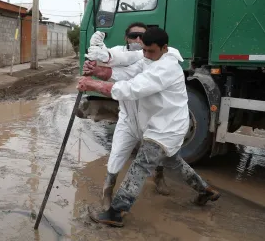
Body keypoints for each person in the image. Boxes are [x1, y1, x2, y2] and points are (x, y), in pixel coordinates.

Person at [78, 27, 220, 227]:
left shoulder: (167, 68)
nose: (145, 54)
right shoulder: (147, 58)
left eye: (150, 51)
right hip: (152, 124)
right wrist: (97, 71)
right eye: (143, 50)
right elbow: (126, 71)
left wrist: (94, 85)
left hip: (167, 126)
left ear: (164, 48)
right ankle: (205, 190)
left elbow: (133, 88)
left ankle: (117, 212)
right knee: (174, 163)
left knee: (142, 163)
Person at [85, 23, 170, 210]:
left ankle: (160, 177)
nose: (138, 40)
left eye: (142, 36)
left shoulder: (152, 59)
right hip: (128, 117)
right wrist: (93, 66)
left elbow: (124, 68)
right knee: (117, 153)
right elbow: (113, 61)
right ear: (126, 37)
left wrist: (100, 73)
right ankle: (107, 191)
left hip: (151, 118)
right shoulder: (118, 52)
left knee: (161, 153)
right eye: (134, 36)